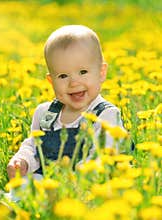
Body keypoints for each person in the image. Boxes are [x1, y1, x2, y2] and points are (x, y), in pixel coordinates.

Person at [7, 25, 125, 179]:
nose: (74, 83)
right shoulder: (45, 114)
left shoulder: (107, 115)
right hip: (48, 182)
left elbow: (102, 157)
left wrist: (74, 182)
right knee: (21, 189)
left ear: (101, 73)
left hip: (88, 187)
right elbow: (34, 148)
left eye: (83, 72)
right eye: (63, 76)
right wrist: (23, 161)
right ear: (51, 81)